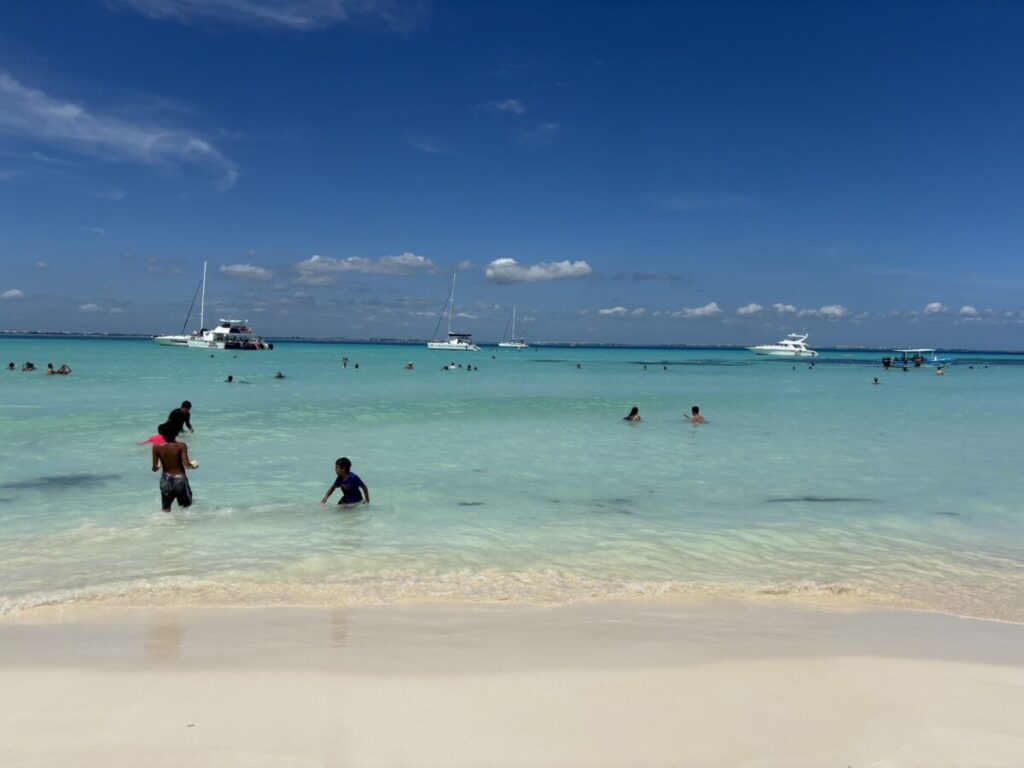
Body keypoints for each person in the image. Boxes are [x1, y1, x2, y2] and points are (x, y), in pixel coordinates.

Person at [151, 421, 198, 513]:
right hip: (179, 480)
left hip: (166, 480)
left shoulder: (156, 447)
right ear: (176, 433)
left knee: (165, 509)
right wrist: (193, 466)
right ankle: (185, 526)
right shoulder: (181, 446)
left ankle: (164, 525)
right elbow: (187, 464)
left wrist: (158, 466)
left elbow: (154, 468)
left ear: (162, 435)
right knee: (187, 506)